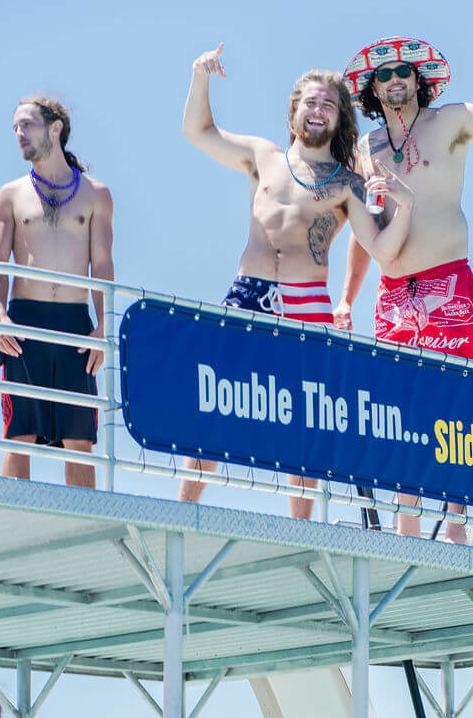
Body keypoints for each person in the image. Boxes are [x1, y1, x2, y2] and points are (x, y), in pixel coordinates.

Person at [336, 14, 473, 540]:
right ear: (373, 88)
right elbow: (365, 236)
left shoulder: (453, 120)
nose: (395, 81)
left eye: (403, 71)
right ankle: (408, 528)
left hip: (448, 282)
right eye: (384, 75)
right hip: (392, 294)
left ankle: (455, 528)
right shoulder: (366, 149)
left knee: (456, 405)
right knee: (401, 411)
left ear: (419, 77)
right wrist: (346, 300)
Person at [177, 44, 414, 509]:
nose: (318, 109)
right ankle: (181, 515)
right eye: (311, 101)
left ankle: (302, 534)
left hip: (308, 302)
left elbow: (384, 251)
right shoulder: (262, 157)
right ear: (293, 112)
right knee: (211, 409)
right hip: (249, 292)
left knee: (303, 428)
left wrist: (402, 206)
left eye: (328, 103)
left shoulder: (348, 183)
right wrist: (200, 76)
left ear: (339, 116)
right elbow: (198, 131)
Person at [0, 96, 114, 489]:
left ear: (56, 127)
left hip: (76, 324)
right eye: (15, 129)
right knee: (19, 434)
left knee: (80, 438)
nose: (20, 135)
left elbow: (103, 265)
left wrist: (103, 327)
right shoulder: (10, 194)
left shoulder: (96, 194)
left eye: (27, 125)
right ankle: (16, 524)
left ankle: (86, 530)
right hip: (25, 322)